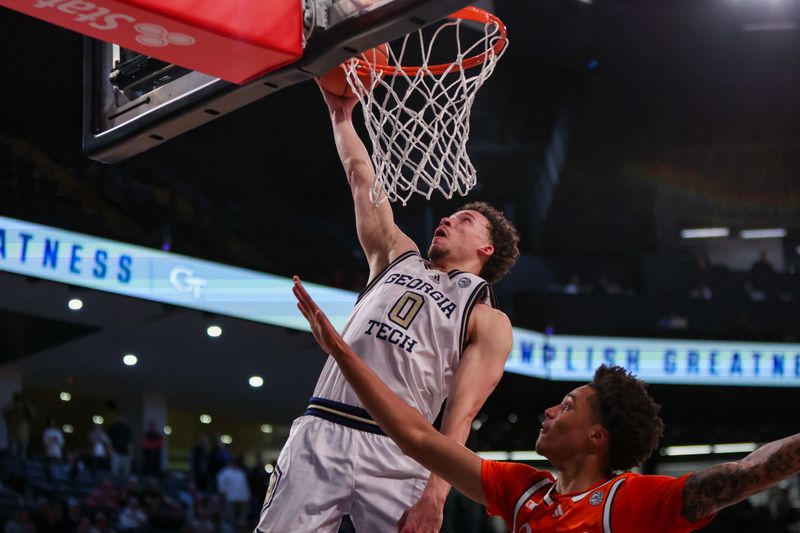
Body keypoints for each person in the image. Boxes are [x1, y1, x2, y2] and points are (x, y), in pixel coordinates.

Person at [292, 277, 800, 533]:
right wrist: (340, 352)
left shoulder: (635, 501)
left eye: (567, 406)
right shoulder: (523, 490)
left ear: (598, 436)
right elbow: (418, 437)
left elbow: (749, 470)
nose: (550, 412)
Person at [256, 86, 520, 532]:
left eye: (465, 220)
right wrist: (341, 116)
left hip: (401, 450)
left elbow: (461, 415)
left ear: (486, 248)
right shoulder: (397, 254)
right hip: (325, 423)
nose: (447, 219)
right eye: (450, 215)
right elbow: (361, 175)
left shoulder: (487, 318)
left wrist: (435, 496)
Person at [107, 414, 133, 480]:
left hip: (125, 454)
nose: (121, 419)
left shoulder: (127, 429)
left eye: (123, 418)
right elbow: (109, 440)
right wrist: (110, 452)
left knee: (125, 474)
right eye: (120, 417)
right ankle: (114, 489)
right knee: (115, 474)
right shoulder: (113, 428)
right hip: (115, 453)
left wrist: (130, 455)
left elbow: (129, 443)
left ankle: (124, 489)